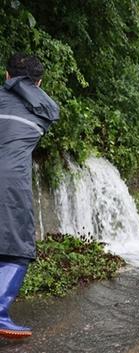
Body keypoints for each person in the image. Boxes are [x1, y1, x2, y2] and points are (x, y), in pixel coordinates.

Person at [0, 53, 59, 338]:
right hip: (10, 182)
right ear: (39, 83)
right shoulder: (44, 111)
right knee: (17, 247)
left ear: (6, 76)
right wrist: (27, 86)